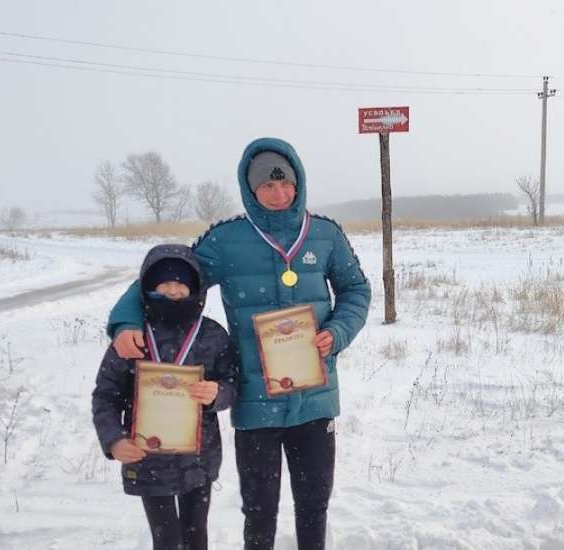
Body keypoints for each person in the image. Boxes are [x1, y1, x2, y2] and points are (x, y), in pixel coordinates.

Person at [107, 137, 371, 550]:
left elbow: (356, 290)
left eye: (286, 184)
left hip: (316, 399)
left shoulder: (325, 235)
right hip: (255, 405)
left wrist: (336, 333)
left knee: (314, 505)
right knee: (260, 510)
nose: (279, 194)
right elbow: (170, 275)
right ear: (251, 189)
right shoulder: (226, 242)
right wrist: (125, 321)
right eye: (268, 186)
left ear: (299, 181)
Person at [93, 244, 238, 550]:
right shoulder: (131, 337)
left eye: (181, 282)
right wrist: (114, 440)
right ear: (148, 286)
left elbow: (233, 383)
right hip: (148, 456)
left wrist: (217, 393)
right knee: (167, 538)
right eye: (164, 282)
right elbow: (106, 395)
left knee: (196, 533)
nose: (173, 289)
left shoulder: (212, 335)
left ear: (195, 287)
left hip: (198, 457)